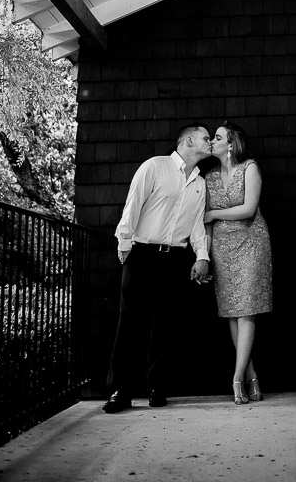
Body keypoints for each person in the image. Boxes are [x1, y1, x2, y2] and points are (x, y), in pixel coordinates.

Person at [102, 123, 212, 414]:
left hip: (176, 259)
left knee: (166, 325)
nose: (210, 140)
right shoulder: (155, 167)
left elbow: (198, 224)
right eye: (205, 137)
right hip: (142, 255)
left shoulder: (199, 183)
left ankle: (157, 387)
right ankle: (121, 391)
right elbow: (133, 204)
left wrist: (202, 256)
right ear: (188, 141)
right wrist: (125, 243)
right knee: (131, 324)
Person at [204, 120, 273, 405]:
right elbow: (205, 223)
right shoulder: (208, 177)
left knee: (247, 311)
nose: (212, 142)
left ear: (230, 144)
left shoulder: (250, 168)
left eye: (217, 138)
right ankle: (251, 376)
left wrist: (216, 214)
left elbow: (248, 209)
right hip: (222, 248)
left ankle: (235, 379)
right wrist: (204, 256)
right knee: (232, 312)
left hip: (252, 243)